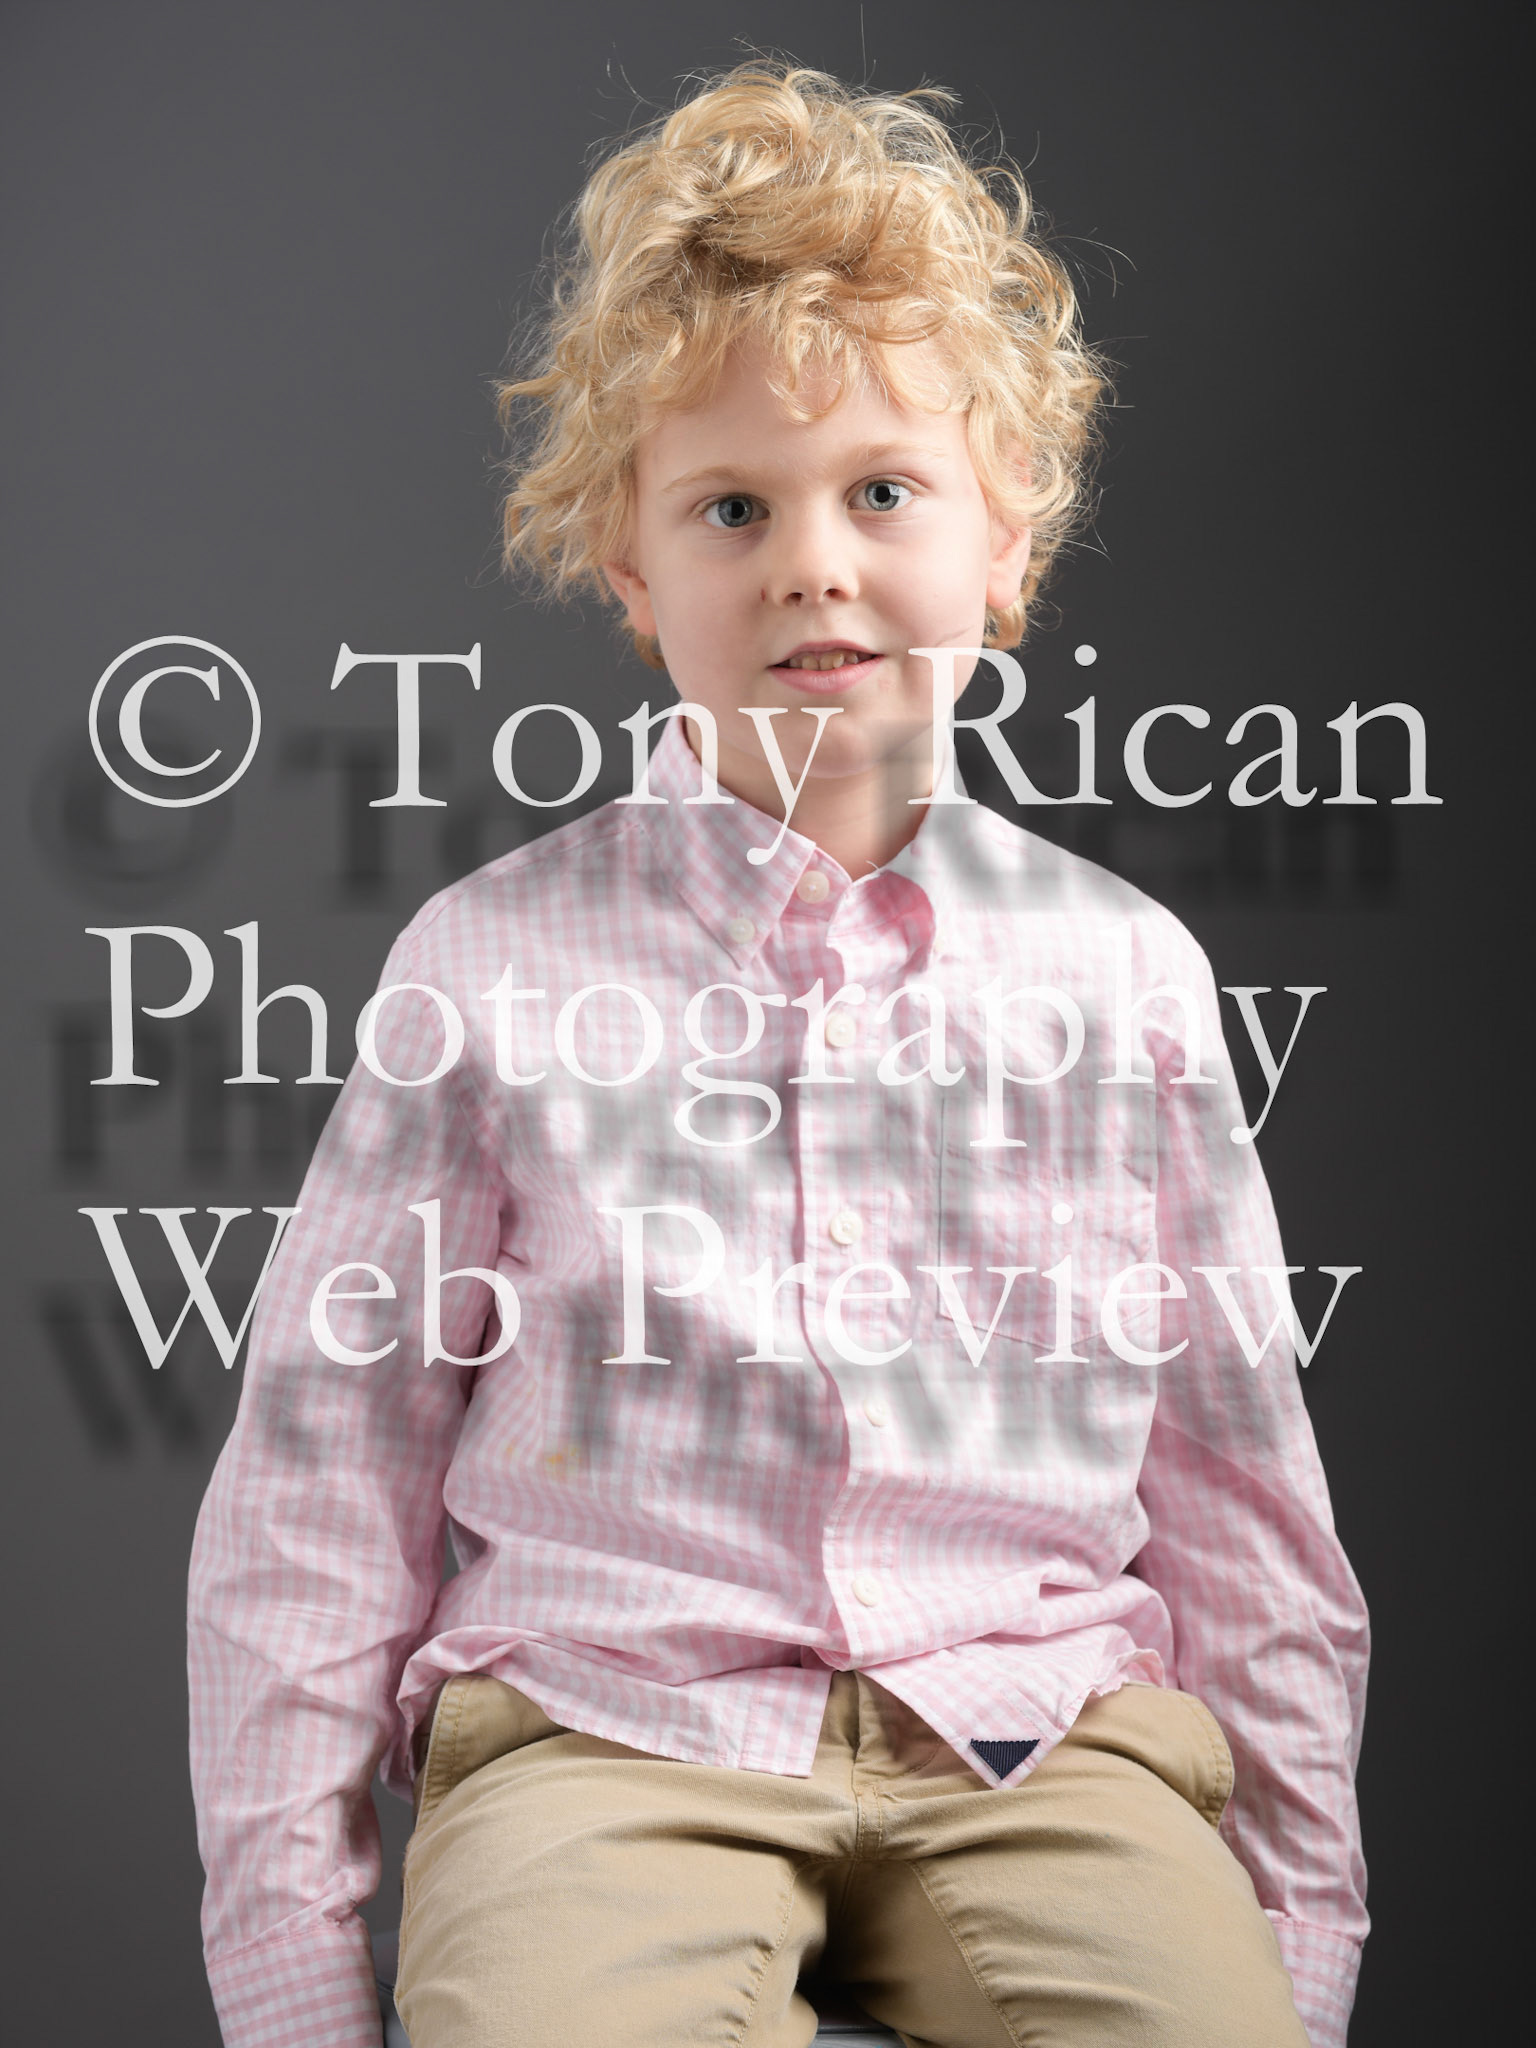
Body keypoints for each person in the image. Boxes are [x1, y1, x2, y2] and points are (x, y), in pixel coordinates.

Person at [188, 62, 1368, 2048]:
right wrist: (297, 1982)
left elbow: (1243, 1492)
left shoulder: (1126, 980)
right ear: (635, 578)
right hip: (606, 1737)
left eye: (882, 492)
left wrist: (1300, 1944)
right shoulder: (486, 970)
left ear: (1008, 542)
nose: (812, 560)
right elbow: (319, 1485)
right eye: (732, 507)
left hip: (1039, 1742)